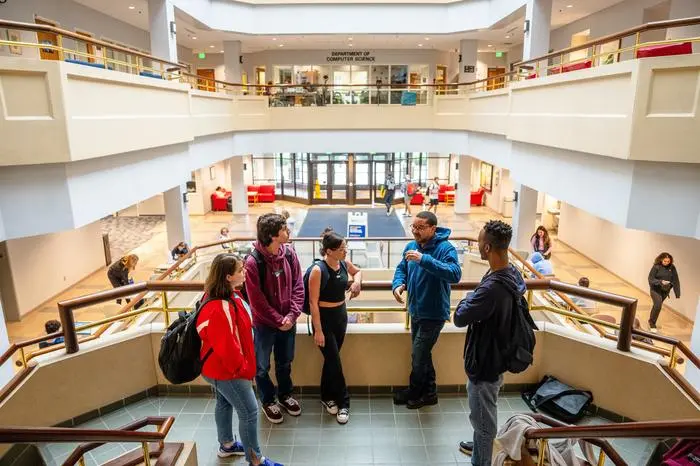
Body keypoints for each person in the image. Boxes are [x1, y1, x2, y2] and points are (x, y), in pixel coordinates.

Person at [197, 254, 284, 466]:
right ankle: (255, 459)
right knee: (250, 411)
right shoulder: (220, 307)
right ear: (228, 277)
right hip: (227, 371)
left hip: (219, 369)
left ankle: (226, 445)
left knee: (224, 403)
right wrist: (244, 371)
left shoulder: (228, 296)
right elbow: (227, 347)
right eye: (240, 270)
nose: (244, 273)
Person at [453, 220, 527, 466]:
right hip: (498, 355)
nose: (477, 243)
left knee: (484, 422)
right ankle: (480, 446)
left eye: (479, 240)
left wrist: (467, 298)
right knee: (486, 413)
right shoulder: (512, 273)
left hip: (485, 362)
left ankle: (481, 460)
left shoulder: (492, 288)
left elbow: (459, 317)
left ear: (486, 248)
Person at [392, 211, 462, 408]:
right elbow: (401, 269)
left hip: (434, 313)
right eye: (413, 227)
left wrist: (424, 259)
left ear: (433, 228)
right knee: (423, 354)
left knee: (418, 355)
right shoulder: (411, 246)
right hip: (415, 309)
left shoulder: (445, 248)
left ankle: (415, 391)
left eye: (420, 228)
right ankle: (429, 392)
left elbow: (455, 274)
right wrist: (398, 284)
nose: (415, 231)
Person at [245, 213, 304, 424]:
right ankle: (268, 400)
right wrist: (279, 320)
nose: (288, 231)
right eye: (284, 228)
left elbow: (299, 285)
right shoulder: (253, 263)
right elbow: (257, 301)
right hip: (264, 326)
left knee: (285, 362)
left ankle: (285, 395)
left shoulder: (289, 253)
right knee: (261, 367)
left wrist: (291, 315)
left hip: (288, 321)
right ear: (271, 234)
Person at [308, 229, 362, 424]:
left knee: (332, 359)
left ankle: (326, 396)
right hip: (324, 319)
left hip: (341, 316)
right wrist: (319, 330)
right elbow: (313, 302)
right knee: (334, 360)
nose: (345, 251)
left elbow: (358, 272)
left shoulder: (343, 264)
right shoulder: (318, 270)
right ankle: (344, 403)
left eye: (345, 247)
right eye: (341, 248)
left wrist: (357, 283)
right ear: (329, 251)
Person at [647, 252, 681, 332]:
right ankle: (652, 323)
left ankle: (650, 320)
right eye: (665, 261)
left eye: (668, 261)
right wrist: (660, 282)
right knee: (658, 305)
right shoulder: (656, 267)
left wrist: (677, 293)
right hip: (655, 289)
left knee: (656, 306)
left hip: (665, 291)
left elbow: (676, 280)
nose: (666, 263)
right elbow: (650, 278)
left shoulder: (672, 267)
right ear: (661, 259)